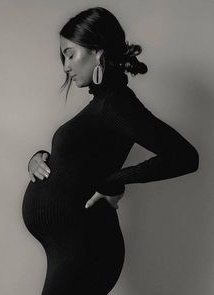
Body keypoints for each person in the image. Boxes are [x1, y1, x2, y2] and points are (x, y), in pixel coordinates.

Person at [22, 6, 199, 295]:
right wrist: (39, 158)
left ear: (97, 53)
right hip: (70, 251)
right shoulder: (101, 105)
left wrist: (114, 180)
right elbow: (85, 157)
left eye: (69, 54)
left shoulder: (116, 103)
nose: (65, 66)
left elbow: (184, 156)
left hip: (86, 250)